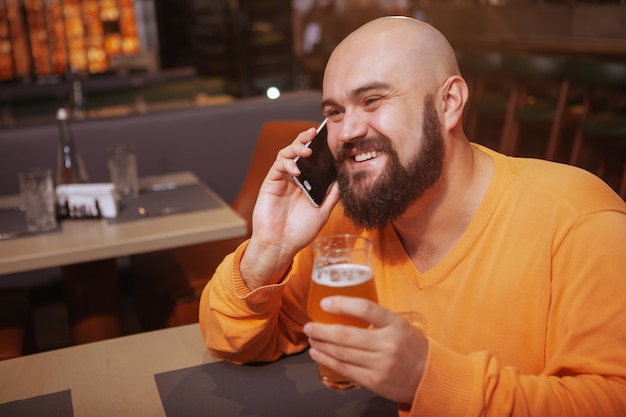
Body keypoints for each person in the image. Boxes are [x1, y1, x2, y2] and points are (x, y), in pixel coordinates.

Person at [200, 16, 626, 416]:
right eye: (334, 112)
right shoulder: (346, 226)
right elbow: (231, 339)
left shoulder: (578, 220)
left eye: (372, 100)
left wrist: (426, 378)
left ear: (449, 103)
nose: (347, 131)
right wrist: (268, 251)